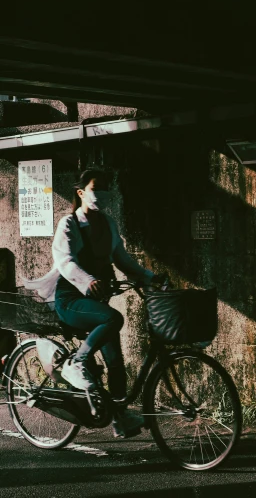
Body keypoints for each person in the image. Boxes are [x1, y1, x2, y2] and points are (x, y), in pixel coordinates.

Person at [26, 169, 164, 438]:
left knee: (115, 363)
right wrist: (88, 280)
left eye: (105, 188)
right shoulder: (69, 224)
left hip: (96, 301)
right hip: (71, 300)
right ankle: (77, 361)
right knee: (114, 319)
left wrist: (149, 276)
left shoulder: (108, 224)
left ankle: (120, 417)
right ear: (81, 193)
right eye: (95, 188)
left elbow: (121, 258)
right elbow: (65, 261)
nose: (101, 193)